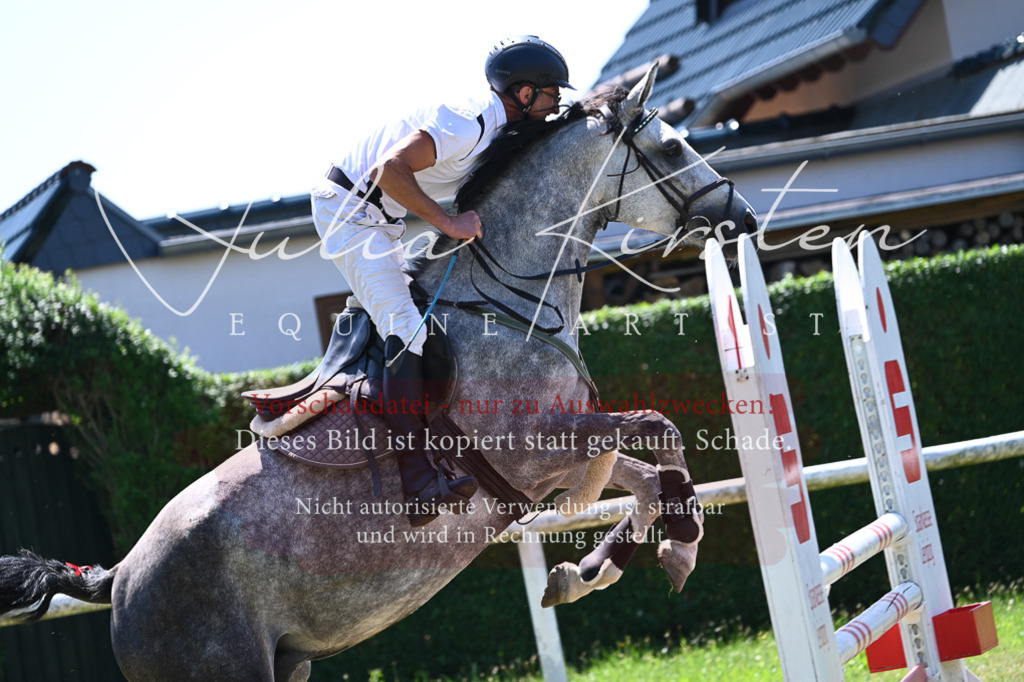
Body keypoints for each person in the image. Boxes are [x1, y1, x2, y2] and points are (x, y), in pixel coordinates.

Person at [310, 36, 574, 527]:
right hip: (348, 211)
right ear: (521, 94)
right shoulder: (469, 120)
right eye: (551, 92)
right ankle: (417, 477)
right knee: (406, 328)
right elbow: (389, 170)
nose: (556, 101)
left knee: (428, 317)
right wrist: (449, 225)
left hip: (380, 221)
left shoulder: (495, 127)